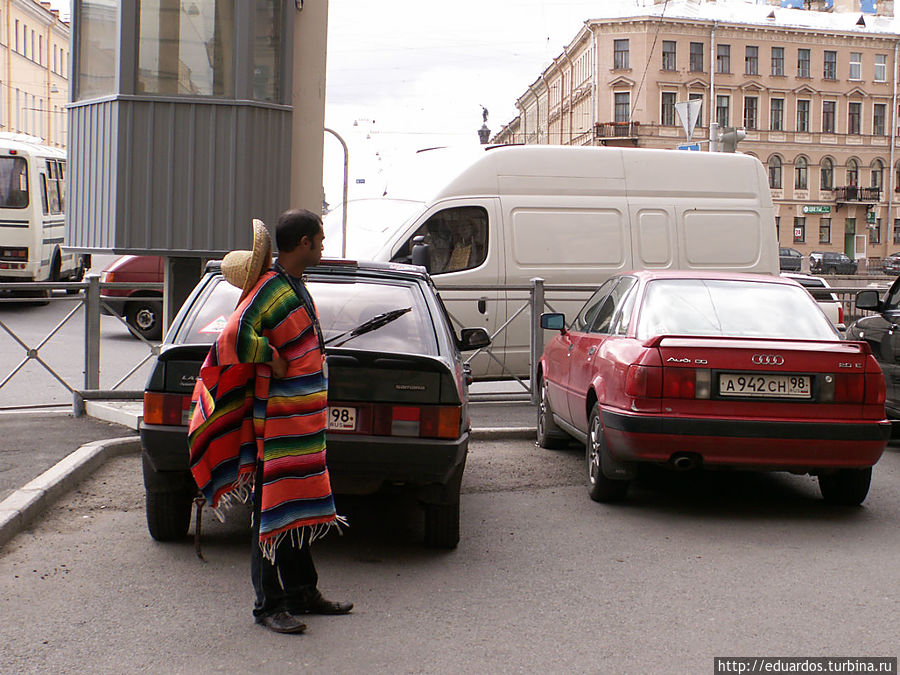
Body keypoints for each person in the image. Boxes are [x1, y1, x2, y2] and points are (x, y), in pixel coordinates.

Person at [188, 210, 352, 635]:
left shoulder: (293, 285)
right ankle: (268, 605)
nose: (322, 244)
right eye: (319, 238)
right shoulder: (270, 288)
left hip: (301, 424)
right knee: (270, 512)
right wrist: (272, 357)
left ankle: (302, 592)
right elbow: (234, 336)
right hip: (276, 426)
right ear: (302, 243)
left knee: (294, 504)